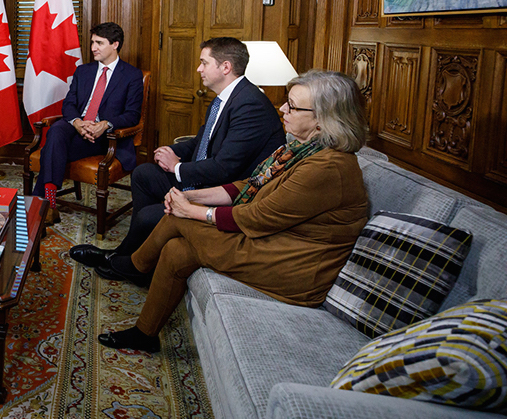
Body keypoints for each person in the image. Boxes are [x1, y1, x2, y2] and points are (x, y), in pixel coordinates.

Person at [96, 69, 369, 353]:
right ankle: (145, 334)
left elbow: (257, 217)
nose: (282, 108)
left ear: (323, 121)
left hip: (293, 267)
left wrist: (191, 210)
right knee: (178, 251)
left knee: (181, 221)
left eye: (293, 105)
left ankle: (135, 265)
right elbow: (250, 185)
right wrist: (193, 195)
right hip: (273, 244)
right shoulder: (301, 150)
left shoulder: (328, 168)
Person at [70, 37, 284, 273]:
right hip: (208, 176)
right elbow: (202, 141)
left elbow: (226, 168)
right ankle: (132, 255)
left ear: (225, 67)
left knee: (148, 216)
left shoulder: (250, 104)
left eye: (204, 62)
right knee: (143, 174)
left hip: (224, 190)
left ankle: (126, 264)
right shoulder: (227, 98)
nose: (198, 69)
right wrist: (172, 151)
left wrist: (177, 167)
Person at [32, 22, 143, 224]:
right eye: (92, 42)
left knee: (52, 148)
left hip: (105, 138)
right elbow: (69, 104)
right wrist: (76, 123)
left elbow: (132, 115)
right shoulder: (83, 71)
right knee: (57, 131)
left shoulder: (132, 75)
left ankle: (41, 202)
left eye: (99, 43)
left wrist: (105, 124)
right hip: (77, 128)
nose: (93, 48)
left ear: (115, 44)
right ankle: (50, 203)